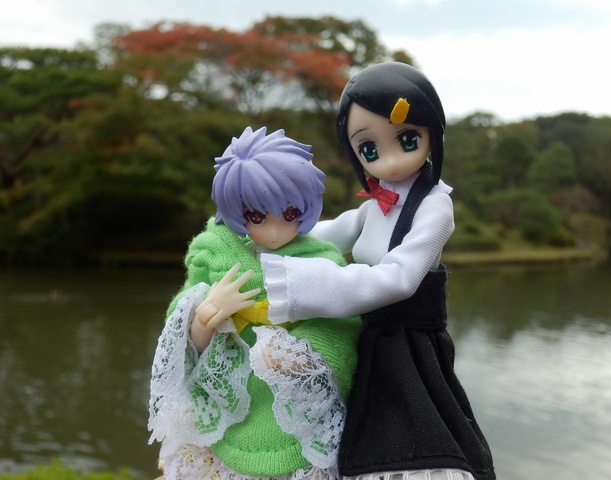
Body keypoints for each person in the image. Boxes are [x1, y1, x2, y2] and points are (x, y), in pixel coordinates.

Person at [260, 63, 496, 480]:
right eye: (369, 149)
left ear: (432, 135)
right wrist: (270, 230)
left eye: (407, 140)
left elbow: (400, 278)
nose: (389, 160)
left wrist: (306, 283)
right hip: (367, 330)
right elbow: (329, 233)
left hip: (409, 345)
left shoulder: (435, 206)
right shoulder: (376, 204)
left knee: (406, 446)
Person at [148, 126, 361, 480]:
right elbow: (183, 335)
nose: (275, 231)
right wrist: (203, 315)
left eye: (290, 214)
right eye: (257, 217)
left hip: (285, 402)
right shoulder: (212, 250)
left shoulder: (321, 261)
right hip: (226, 397)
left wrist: (297, 355)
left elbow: (340, 324)